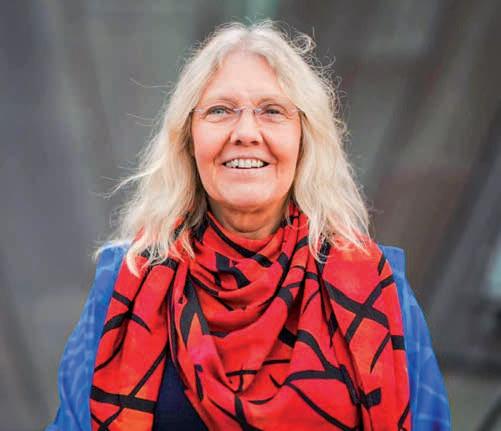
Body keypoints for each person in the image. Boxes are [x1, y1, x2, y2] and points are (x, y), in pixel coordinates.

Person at [47, 20, 450, 430]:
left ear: (305, 139)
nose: (245, 132)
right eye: (220, 111)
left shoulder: (376, 287)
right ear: (188, 140)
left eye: (272, 111)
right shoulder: (127, 282)